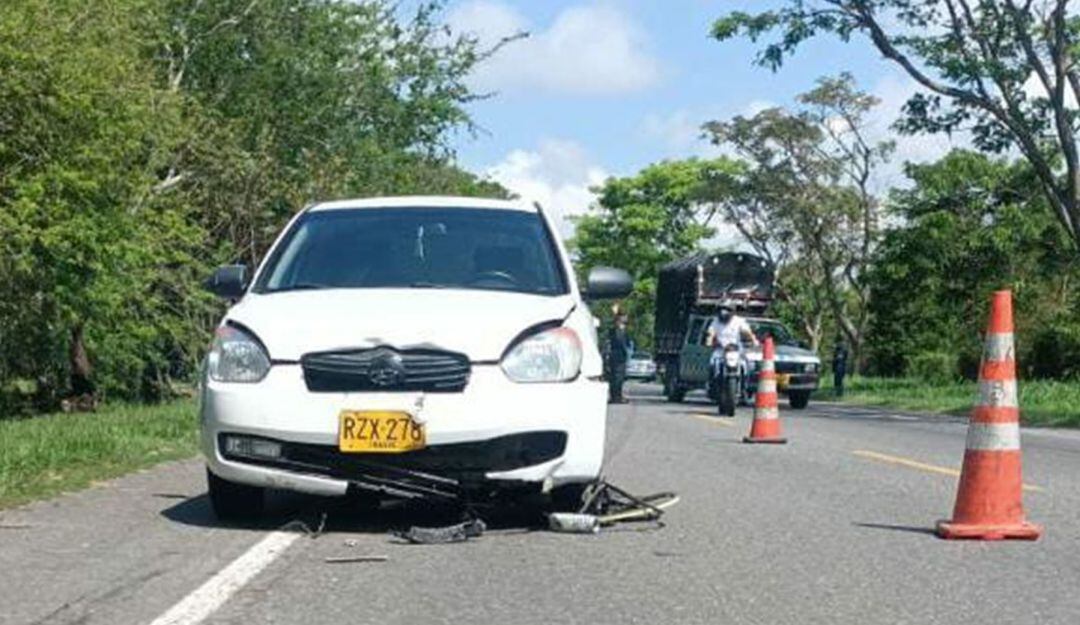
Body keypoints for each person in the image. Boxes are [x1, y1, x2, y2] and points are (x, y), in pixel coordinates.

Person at [607, 312, 631, 403]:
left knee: (617, 377)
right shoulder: (617, 331)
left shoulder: (621, 330)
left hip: (618, 356)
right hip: (618, 356)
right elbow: (621, 342)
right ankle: (616, 397)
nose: (626, 319)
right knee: (617, 377)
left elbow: (627, 341)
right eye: (624, 318)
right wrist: (626, 351)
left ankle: (616, 396)